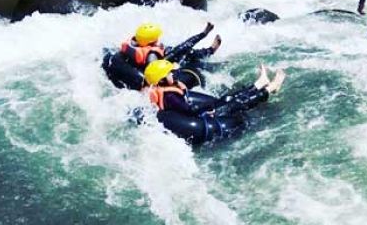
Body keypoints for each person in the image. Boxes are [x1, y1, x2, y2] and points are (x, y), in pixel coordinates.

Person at [142, 59, 286, 143]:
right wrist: (207, 106)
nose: (173, 73)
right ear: (161, 79)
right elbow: (188, 110)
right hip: (201, 117)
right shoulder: (170, 96)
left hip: (198, 113)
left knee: (228, 99)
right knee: (234, 103)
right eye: (170, 73)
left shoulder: (167, 90)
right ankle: (269, 89)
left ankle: (259, 84)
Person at [120, 22, 221, 71]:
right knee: (185, 52)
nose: (158, 39)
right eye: (156, 38)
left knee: (180, 50)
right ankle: (210, 50)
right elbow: (155, 72)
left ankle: (207, 46)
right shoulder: (152, 56)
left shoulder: (137, 43)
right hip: (162, 65)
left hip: (161, 58)